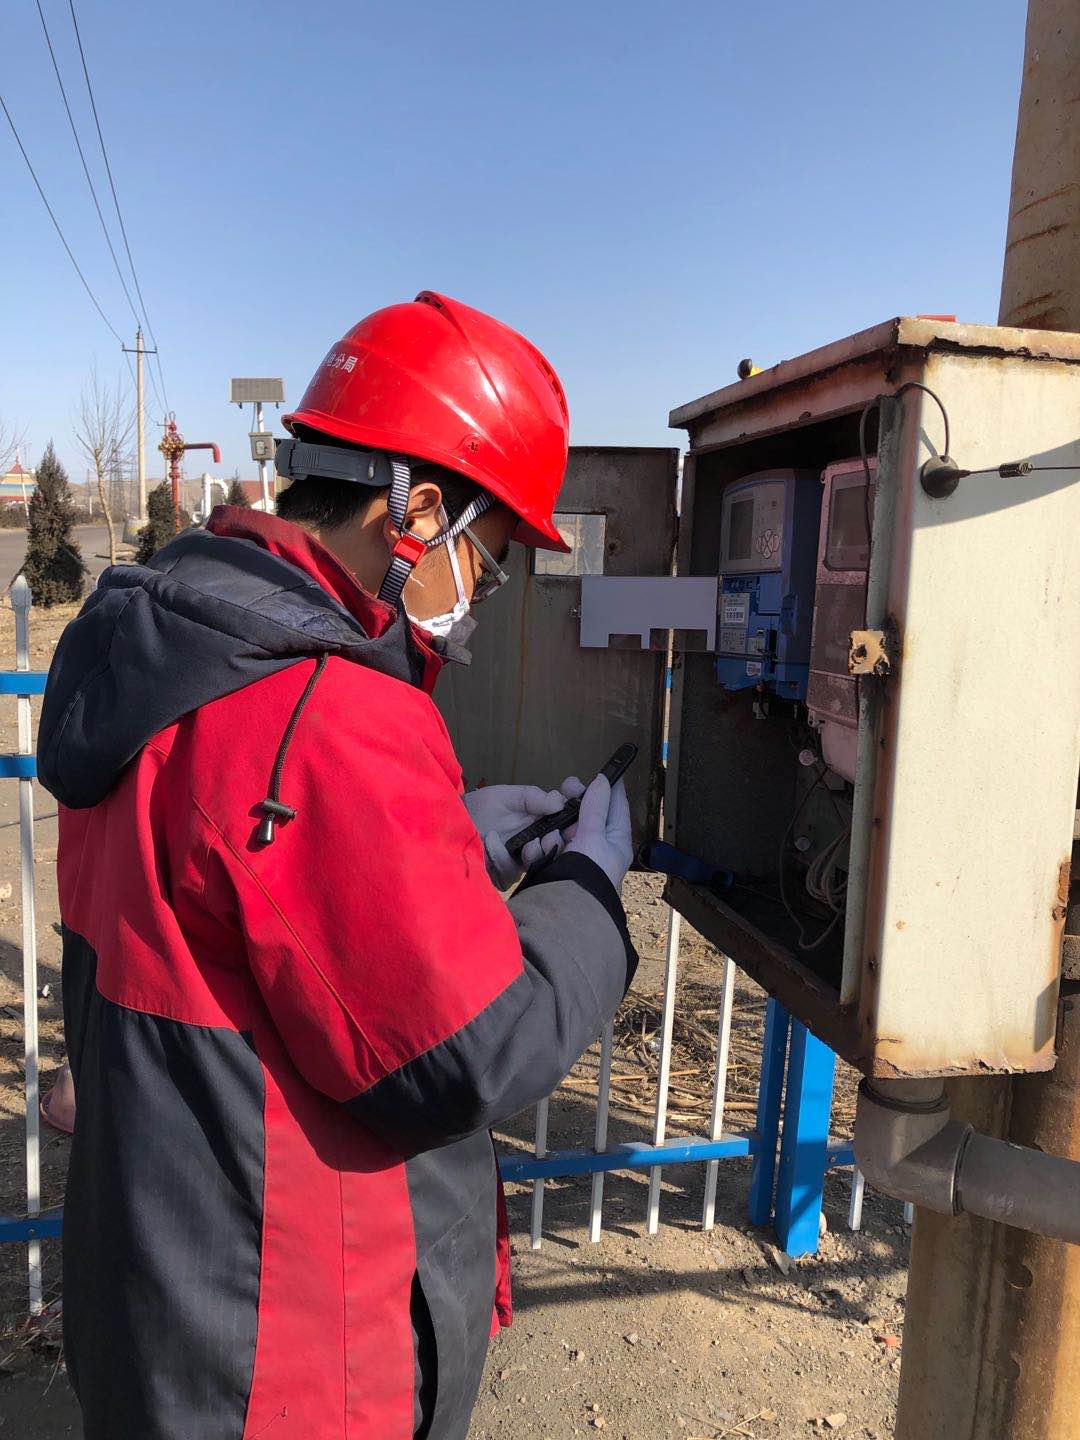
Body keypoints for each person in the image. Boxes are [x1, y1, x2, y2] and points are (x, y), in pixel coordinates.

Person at [38, 291, 637, 1440]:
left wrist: (446, 831)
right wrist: (588, 892)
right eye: (487, 564)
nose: (478, 599)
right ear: (419, 513)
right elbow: (466, 1050)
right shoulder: (326, 712)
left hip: (160, 1297)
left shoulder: (176, 651)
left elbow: (248, 901)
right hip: (285, 1353)